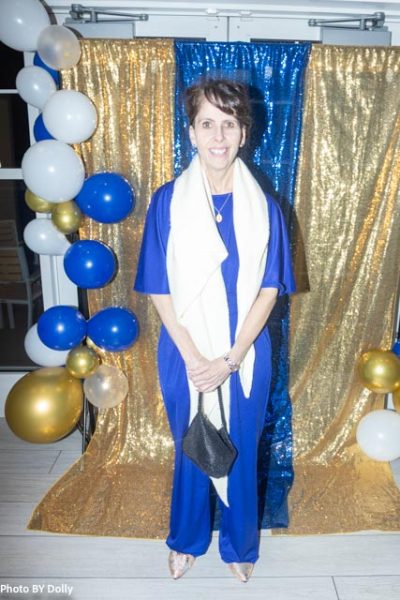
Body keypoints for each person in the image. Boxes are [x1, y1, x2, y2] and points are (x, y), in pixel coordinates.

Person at [134, 78, 296, 582]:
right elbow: (158, 287)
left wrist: (229, 359)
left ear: (244, 133)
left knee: (241, 448)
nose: (218, 136)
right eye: (207, 124)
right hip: (183, 350)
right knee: (191, 445)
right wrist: (194, 358)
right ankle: (186, 540)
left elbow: (269, 289)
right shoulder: (167, 202)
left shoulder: (265, 208)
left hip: (245, 351)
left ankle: (240, 544)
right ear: (192, 132)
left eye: (229, 124)